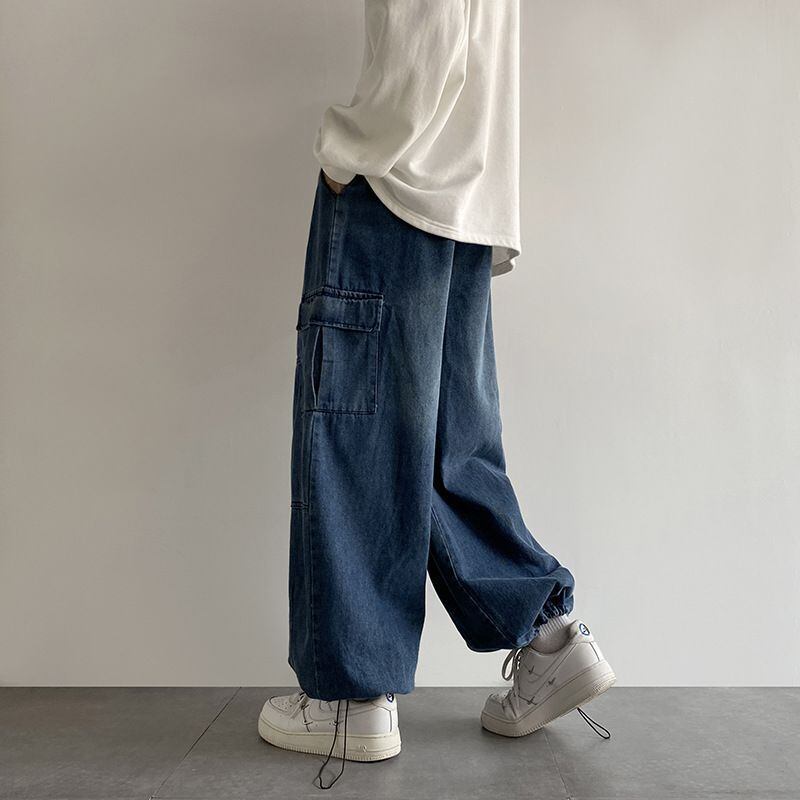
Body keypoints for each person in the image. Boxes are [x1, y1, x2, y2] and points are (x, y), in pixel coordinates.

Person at [258, 0, 614, 785]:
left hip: (397, 184)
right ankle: (547, 643)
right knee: (449, 448)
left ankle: (349, 697)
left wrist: (352, 149)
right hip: (465, 193)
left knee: (354, 439)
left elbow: (433, 28)